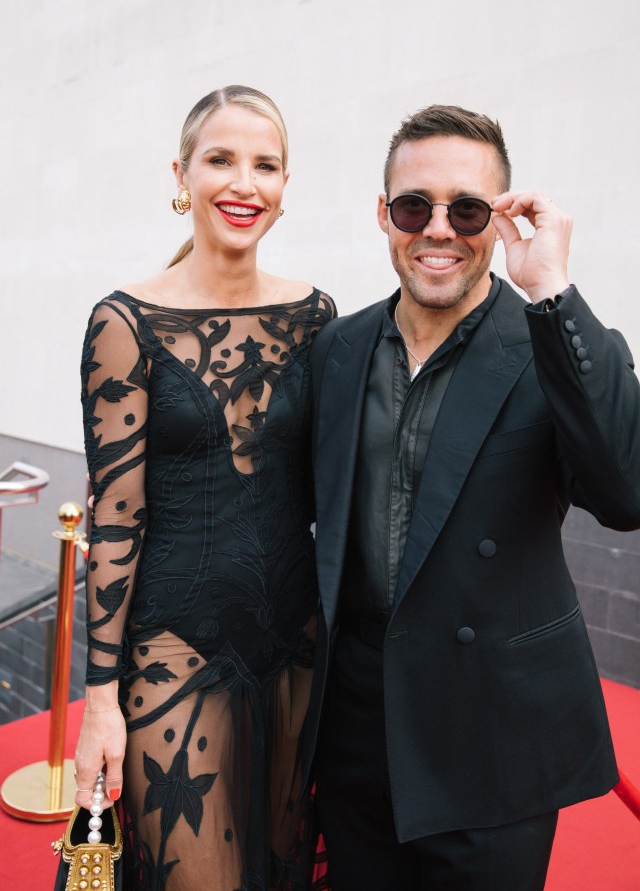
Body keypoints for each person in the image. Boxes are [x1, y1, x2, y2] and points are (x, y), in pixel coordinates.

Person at [307, 104, 640, 890]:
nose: (439, 230)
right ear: (384, 215)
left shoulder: (551, 340)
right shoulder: (338, 347)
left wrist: (552, 287)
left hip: (493, 734)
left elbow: (626, 492)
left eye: (467, 209)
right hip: (357, 731)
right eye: (414, 206)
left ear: (501, 216)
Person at [73, 85, 335, 891]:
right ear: (182, 173)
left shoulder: (317, 316)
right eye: (222, 158)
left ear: (286, 188)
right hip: (172, 653)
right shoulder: (124, 323)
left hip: (296, 648)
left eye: (267, 164)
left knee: (287, 872)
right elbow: (115, 521)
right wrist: (101, 701)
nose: (244, 183)